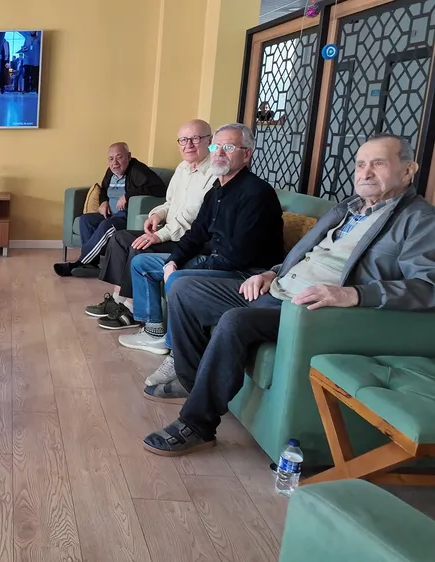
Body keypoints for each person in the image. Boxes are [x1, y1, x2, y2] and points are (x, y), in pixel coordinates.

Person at [141, 133, 435, 457]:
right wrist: (271, 273)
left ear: (408, 170)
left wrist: (354, 294)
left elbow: (428, 287)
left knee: (236, 321)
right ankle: (192, 380)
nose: (365, 173)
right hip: (278, 287)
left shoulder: (419, 220)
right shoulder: (347, 209)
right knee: (183, 286)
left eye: (378, 164)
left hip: (311, 310)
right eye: (361, 164)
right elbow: (307, 255)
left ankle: (197, 424)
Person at [113, 124, 284, 385]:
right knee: (142, 262)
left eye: (229, 147)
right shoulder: (217, 189)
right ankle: (154, 330)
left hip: (244, 272)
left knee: (179, 281)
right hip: (215, 260)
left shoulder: (256, 193)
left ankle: (176, 356)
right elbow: (196, 233)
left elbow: (239, 255)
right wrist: (174, 260)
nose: (219, 153)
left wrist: (188, 268)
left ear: (247, 154)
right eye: (216, 146)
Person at [90, 119, 217, 320]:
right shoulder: (182, 168)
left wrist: (159, 235)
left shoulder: (215, 172)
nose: (188, 145)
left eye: (195, 138)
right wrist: (157, 215)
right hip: (172, 233)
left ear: (209, 140)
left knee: (139, 247)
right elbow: (169, 202)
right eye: (183, 140)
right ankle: (116, 301)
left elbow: (195, 214)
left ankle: (131, 309)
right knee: (120, 238)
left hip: (191, 240)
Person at [54, 142, 166, 276]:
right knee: (86, 220)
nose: (115, 163)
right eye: (111, 159)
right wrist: (103, 202)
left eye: (119, 157)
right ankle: (92, 263)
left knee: (106, 225)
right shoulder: (110, 172)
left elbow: (159, 189)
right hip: (110, 214)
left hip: (125, 216)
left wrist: (128, 195)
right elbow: (103, 189)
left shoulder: (137, 170)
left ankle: (81, 262)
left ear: (129, 156)